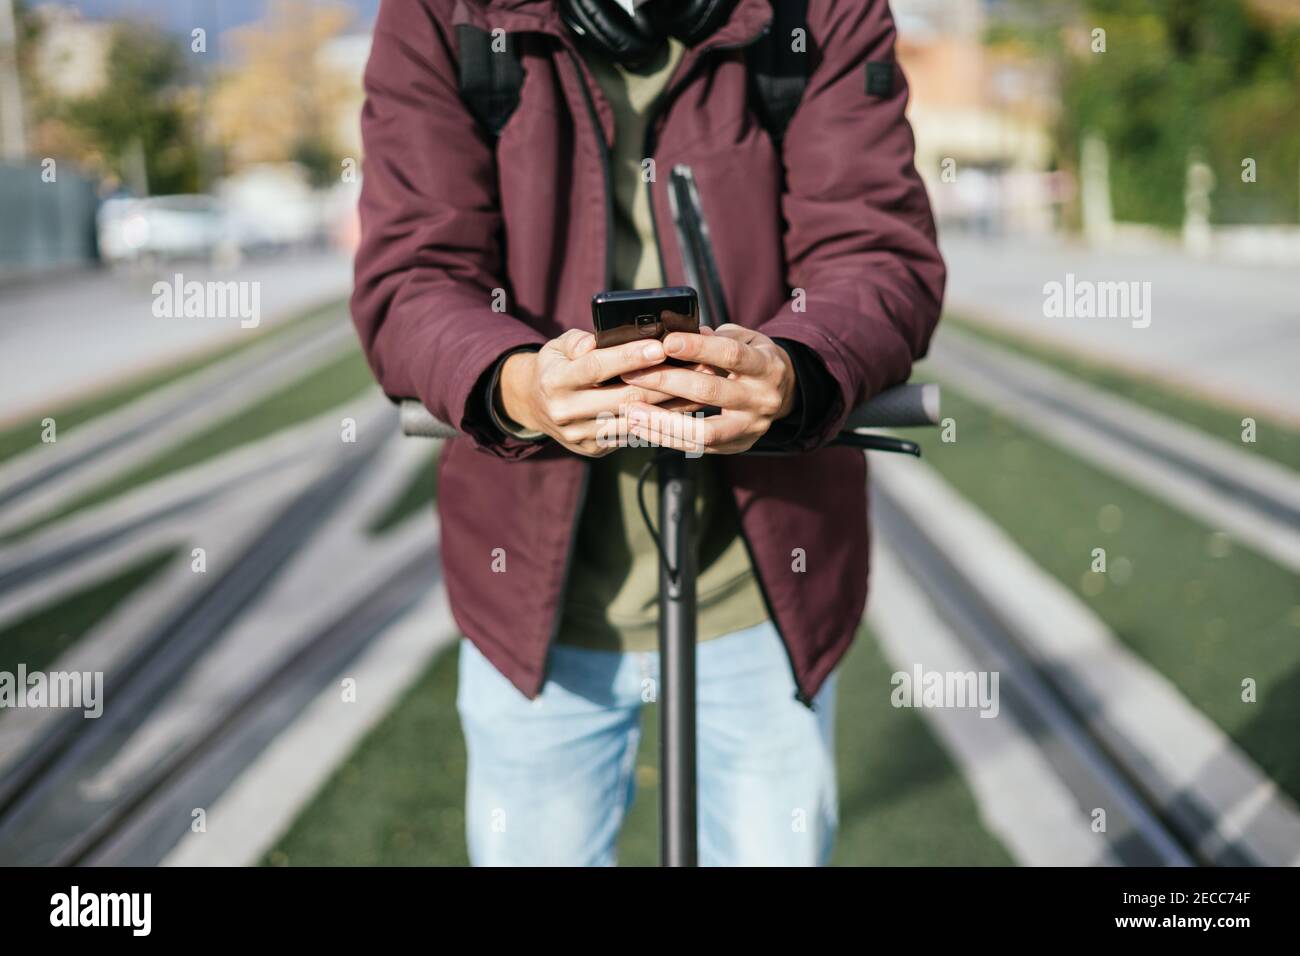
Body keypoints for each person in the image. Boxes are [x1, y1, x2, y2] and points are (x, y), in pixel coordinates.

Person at [351, 0, 945, 866]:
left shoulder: (823, 10)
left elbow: (877, 251)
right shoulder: (441, 14)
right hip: (531, 603)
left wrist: (795, 369)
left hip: (762, 582)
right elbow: (412, 273)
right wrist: (517, 383)